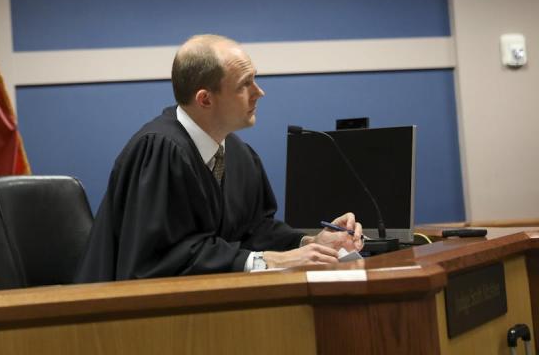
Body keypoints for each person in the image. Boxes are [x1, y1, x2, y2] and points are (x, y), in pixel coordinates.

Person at [75, 34, 363, 282]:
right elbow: (160, 260)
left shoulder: (237, 154)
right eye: (244, 85)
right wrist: (266, 262)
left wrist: (310, 242)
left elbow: (254, 230)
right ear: (205, 99)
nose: (259, 93)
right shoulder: (160, 150)